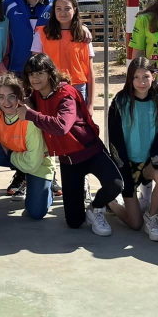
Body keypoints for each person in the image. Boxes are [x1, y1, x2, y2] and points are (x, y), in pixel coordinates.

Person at [18, 53, 123, 236]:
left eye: (39, 73)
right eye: (30, 74)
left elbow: (62, 126)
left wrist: (30, 114)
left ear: (50, 73)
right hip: (68, 160)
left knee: (116, 184)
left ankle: (96, 208)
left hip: (90, 149)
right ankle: (81, 191)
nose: (34, 78)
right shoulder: (34, 94)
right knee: (74, 222)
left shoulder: (65, 93)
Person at [2, 0, 54, 198]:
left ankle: (51, 176)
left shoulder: (55, 3)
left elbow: (71, 22)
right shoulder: (10, 3)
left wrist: (83, 29)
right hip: (17, 73)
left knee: (47, 124)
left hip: (46, 76)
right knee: (20, 125)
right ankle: (21, 173)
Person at [106, 57, 158, 241]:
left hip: (148, 163)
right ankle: (111, 202)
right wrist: (123, 169)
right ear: (130, 79)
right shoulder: (120, 101)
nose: (141, 82)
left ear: (154, 77)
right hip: (127, 164)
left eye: (146, 76)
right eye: (136, 77)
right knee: (135, 224)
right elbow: (115, 140)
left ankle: (152, 216)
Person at [0, 74, 55, 221]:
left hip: (36, 162)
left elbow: (32, 163)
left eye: (11, 96)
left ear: (19, 96)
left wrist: (11, 153)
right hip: (12, 153)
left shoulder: (29, 121)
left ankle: (46, 186)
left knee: (36, 213)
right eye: (1, 97)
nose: (6, 102)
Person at [31, 0, 95, 107]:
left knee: (77, 124)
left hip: (78, 88)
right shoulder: (41, 34)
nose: (62, 12)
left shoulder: (83, 35)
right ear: (53, 11)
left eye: (67, 8)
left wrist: (90, 105)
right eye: (58, 9)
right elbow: (35, 69)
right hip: (50, 87)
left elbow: (90, 72)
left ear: (74, 10)